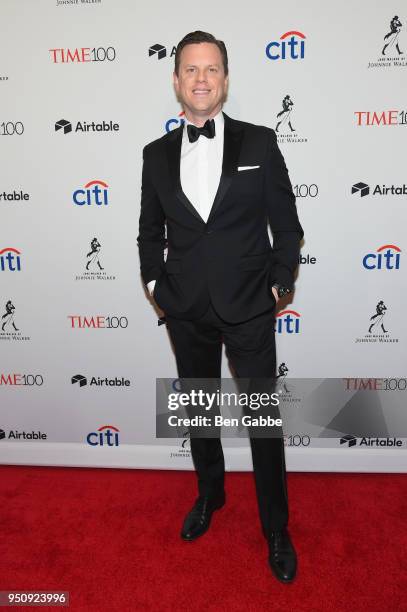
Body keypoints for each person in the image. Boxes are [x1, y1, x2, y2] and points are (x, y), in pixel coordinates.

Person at [137, 30, 303, 583]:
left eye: (211, 69)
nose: (201, 79)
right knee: (201, 413)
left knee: (262, 420)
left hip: (251, 306)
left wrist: (281, 283)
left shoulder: (260, 142)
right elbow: (147, 233)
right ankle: (210, 495)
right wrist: (157, 287)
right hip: (186, 310)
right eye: (190, 69)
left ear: (225, 80)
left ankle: (276, 527)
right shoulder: (154, 155)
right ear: (176, 80)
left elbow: (286, 222)